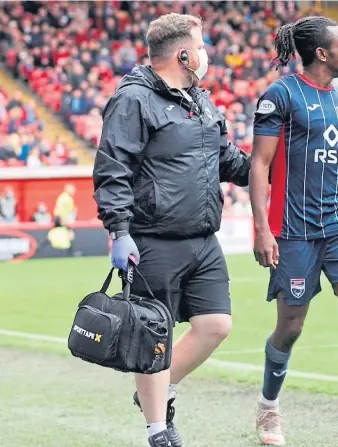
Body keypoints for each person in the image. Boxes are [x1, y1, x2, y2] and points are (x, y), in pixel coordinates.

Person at [92, 13, 251, 447]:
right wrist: (119, 230)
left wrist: (270, 168)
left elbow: (227, 160)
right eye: (201, 46)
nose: (206, 54)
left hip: (202, 238)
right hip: (152, 240)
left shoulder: (199, 99)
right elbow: (112, 169)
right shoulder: (134, 100)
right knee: (151, 337)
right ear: (183, 53)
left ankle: (162, 392)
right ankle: (158, 430)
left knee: (216, 325)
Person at [249, 16, 338, 447]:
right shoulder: (281, 95)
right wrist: (261, 229)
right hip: (294, 230)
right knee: (291, 325)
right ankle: (269, 408)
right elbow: (259, 164)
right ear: (321, 53)